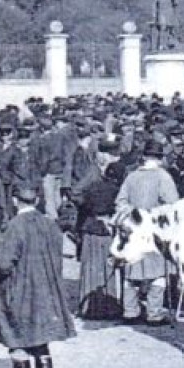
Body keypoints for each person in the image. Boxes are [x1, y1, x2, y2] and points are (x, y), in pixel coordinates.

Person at [0, 183, 77, 368]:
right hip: (46, 291)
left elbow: (2, 264)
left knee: (18, 342)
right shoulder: (50, 224)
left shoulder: (14, 227)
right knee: (40, 343)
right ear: (37, 199)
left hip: (21, 292)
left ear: (15, 200)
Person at [113, 140, 178, 325]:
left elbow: (120, 202)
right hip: (154, 232)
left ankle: (130, 311)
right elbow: (172, 205)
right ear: (160, 158)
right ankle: (154, 313)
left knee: (132, 270)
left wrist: (133, 213)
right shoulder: (163, 177)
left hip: (134, 230)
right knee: (157, 273)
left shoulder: (131, 177)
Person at [68, 136, 124, 320]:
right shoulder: (93, 172)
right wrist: (90, 206)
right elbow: (75, 192)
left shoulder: (110, 171)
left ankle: (104, 304)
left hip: (100, 225)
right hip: (93, 224)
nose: (112, 156)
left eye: (113, 152)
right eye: (108, 152)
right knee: (95, 264)